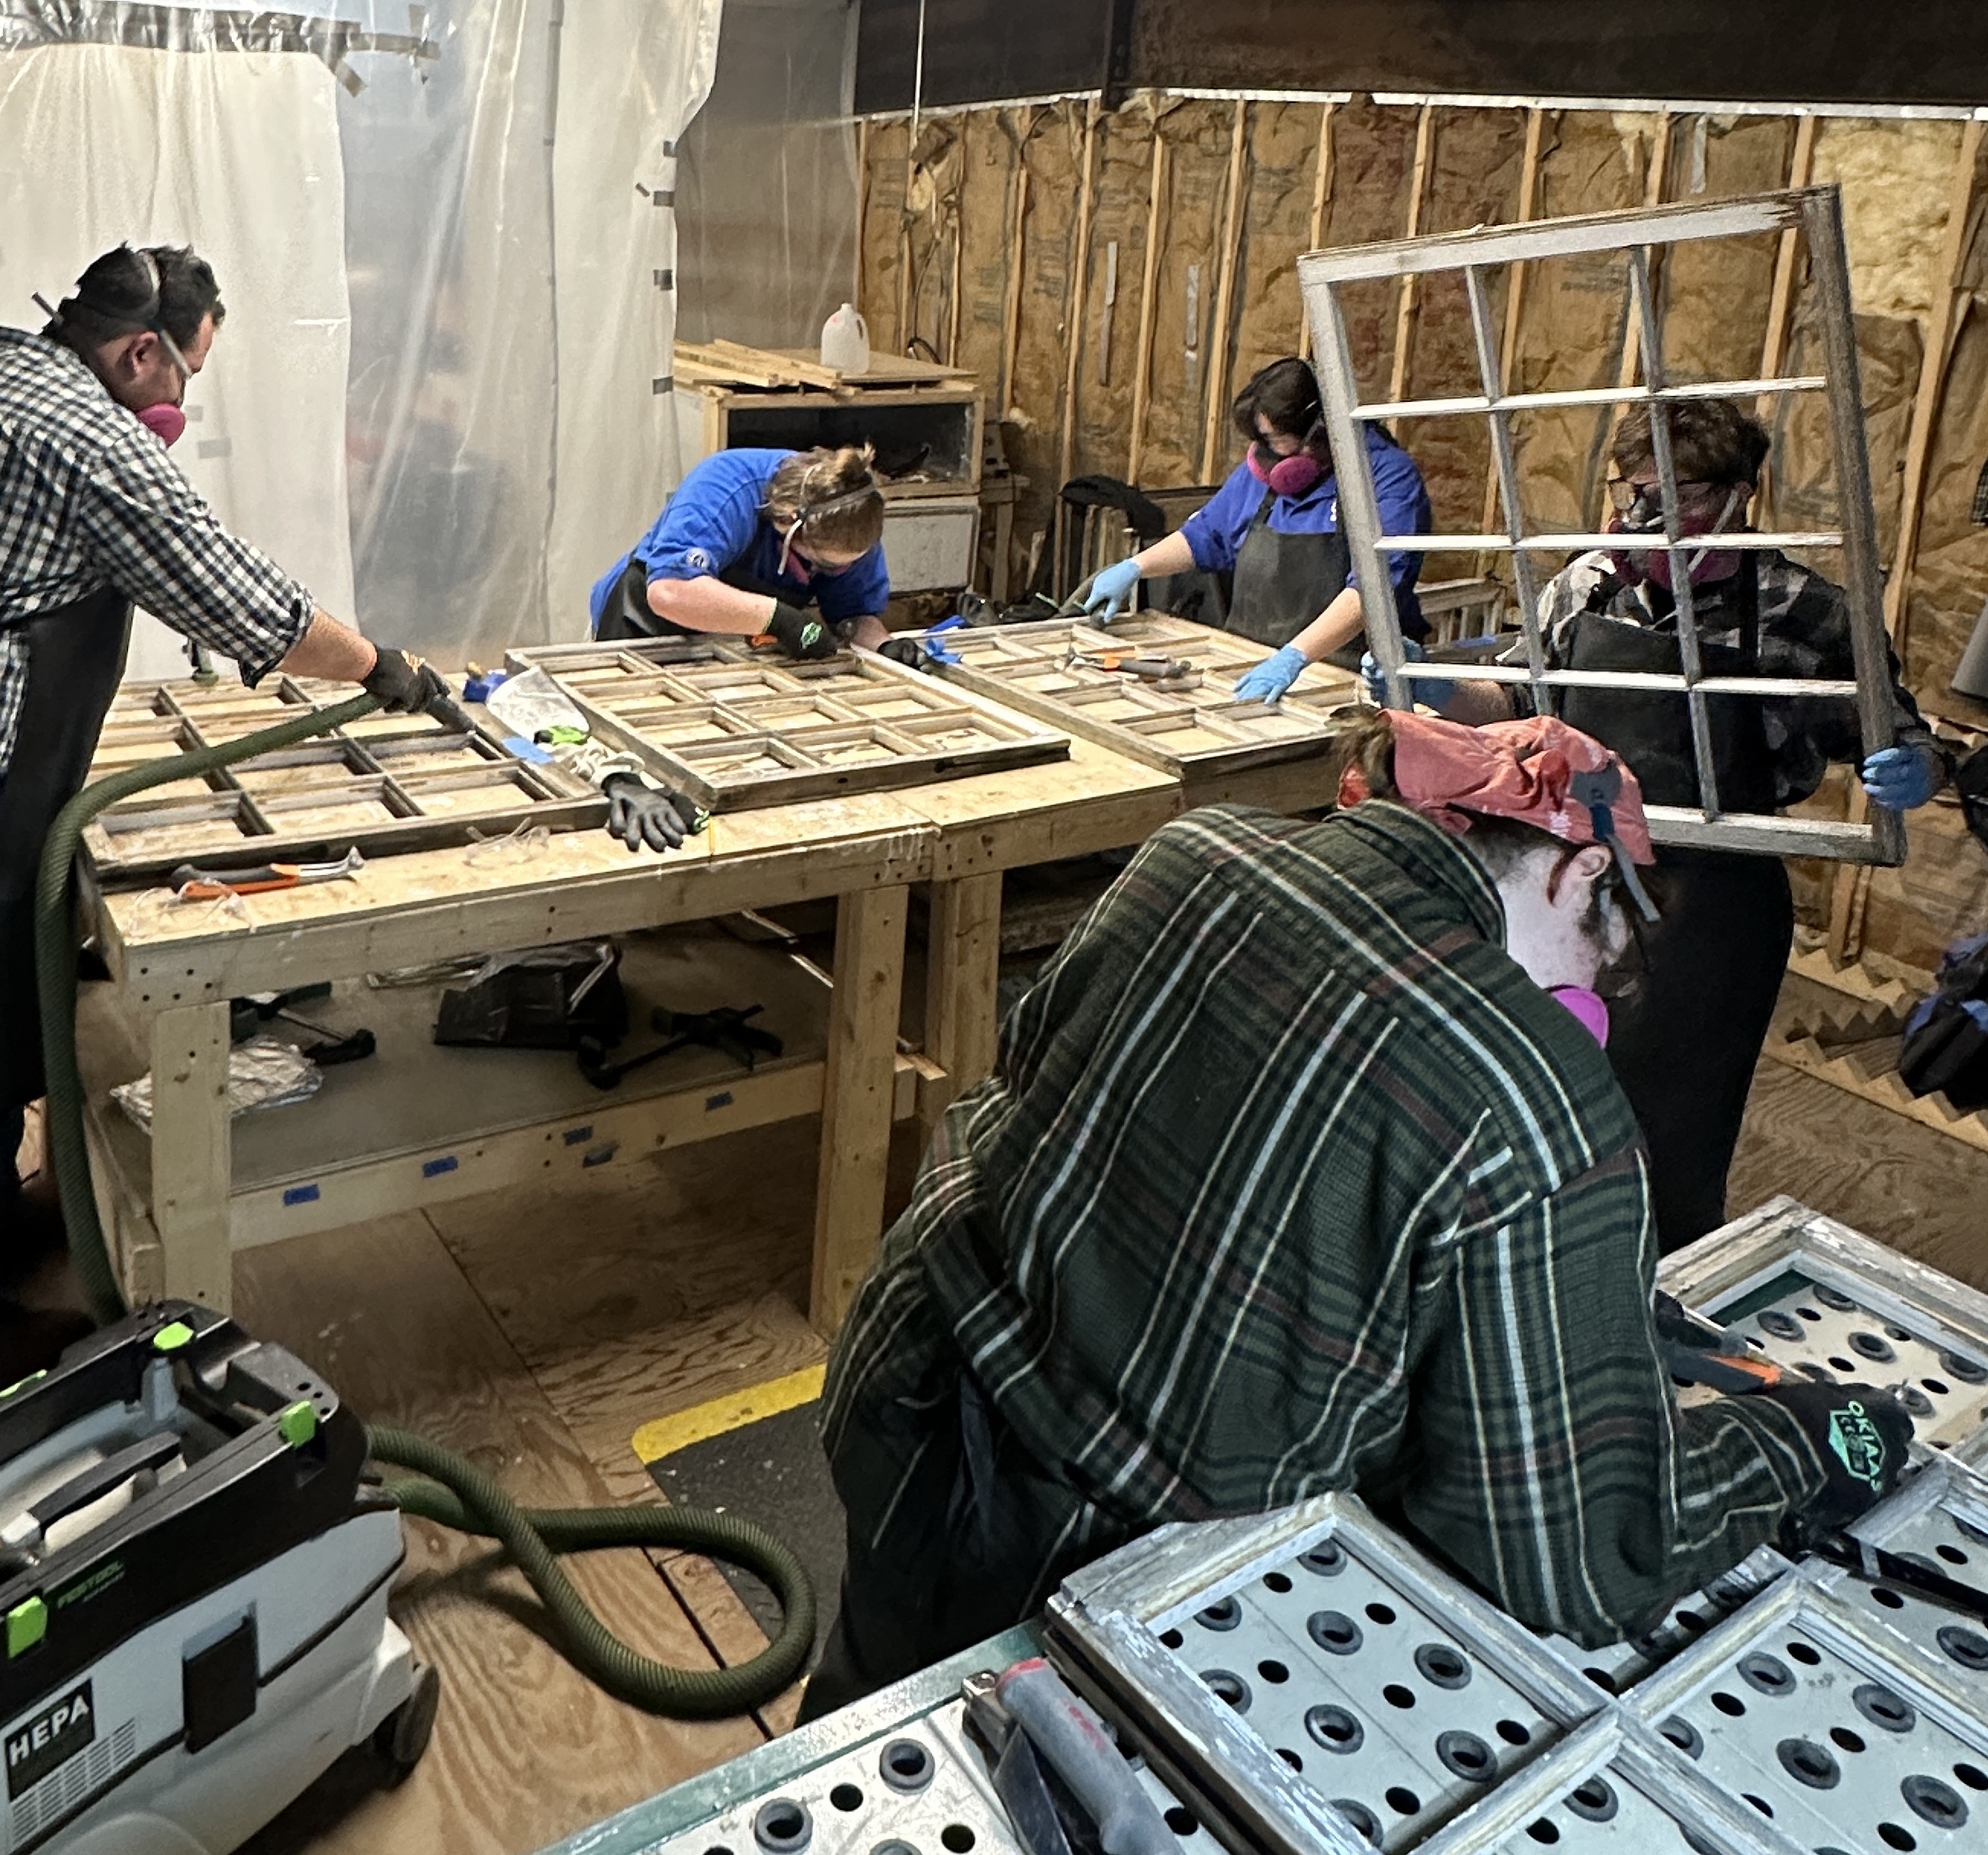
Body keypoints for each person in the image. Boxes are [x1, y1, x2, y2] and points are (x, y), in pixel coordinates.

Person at [800, 706, 1911, 1721]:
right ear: (1579, 878)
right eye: (1602, 962)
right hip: (1085, 1565)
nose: (1586, 1003)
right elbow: (1578, 1558)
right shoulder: (1531, 1093)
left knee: (862, 1721)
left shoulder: (1194, 854)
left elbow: (1073, 1107)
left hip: (906, 1391)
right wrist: (1805, 1439)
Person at [0, 243, 452, 1398]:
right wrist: (387, 671)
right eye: (184, 375)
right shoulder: (91, 437)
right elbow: (250, 605)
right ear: (139, 351)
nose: (180, 403)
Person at [1441, 399, 1948, 1251]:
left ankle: (1653, 1297)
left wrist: (1912, 768)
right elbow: (1518, 695)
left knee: (1669, 1139)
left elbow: (1894, 731)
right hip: (1578, 885)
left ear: (1741, 498)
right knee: (1537, 1104)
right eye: (1637, 492)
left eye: (1681, 501)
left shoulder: (1804, 610)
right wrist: (1438, 691)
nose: (1646, 518)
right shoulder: (1589, 583)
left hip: (1714, 903)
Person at [1077, 355, 1433, 702]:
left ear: (1320, 431)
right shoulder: (1265, 471)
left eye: (1275, 439)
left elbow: (1372, 591)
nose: (1265, 453)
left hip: (1346, 680)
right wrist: (1136, 567)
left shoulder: (1386, 478)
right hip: (1250, 665)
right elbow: (1207, 535)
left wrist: (1295, 656)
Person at [590, 445, 910, 665]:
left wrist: (885, 646)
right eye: (824, 564)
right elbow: (670, 591)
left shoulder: (855, 517)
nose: (846, 570)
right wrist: (779, 619)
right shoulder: (725, 485)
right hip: (646, 624)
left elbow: (852, 615)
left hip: (736, 648)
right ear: (787, 523)